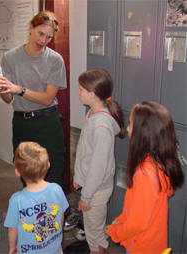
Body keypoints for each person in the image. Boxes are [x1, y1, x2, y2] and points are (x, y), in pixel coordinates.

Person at [0, 11, 67, 187]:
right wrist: (2, 87)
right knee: (26, 174)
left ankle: (54, 214)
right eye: (40, 33)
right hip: (23, 124)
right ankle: (33, 212)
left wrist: (19, 89)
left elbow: (48, 99)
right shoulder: (10, 57)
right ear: (30, 27)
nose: (42, 40)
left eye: (48, 37)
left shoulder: (55, 60)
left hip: (48, 123)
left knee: (54, 172)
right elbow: (8, 98)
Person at [106, 101, 184, 254]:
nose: (128, 129)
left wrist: (115, 231)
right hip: (153, 243)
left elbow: (137, 223)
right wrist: (121, 220)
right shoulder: (158, 163)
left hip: (141, 247)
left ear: (144, 133)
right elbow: (138, 210)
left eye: (130, 124)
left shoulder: (145, 174)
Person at [73, 68, 126, 254]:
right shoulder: (92, 114)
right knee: (94, 231)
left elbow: (98, 166)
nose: (78, 92)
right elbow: (86, 152)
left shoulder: (102, 126)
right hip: (91, 185)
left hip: (96, 190)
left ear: (92, 94)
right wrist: (79, 176)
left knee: (93, 235)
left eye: (81, 89)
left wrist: (86, 196)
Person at [4, 142, 69, 254]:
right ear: (48, 165)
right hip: (54, 248)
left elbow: (12, 229)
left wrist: (11, 247)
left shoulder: (16, 200)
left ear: (17, 172)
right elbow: (60, 215)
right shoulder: (57, 189)